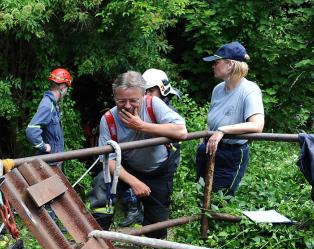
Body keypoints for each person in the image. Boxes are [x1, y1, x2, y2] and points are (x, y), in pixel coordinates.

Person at [96, 71, 187, 238]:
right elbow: (107, 160)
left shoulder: (154, 104)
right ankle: (98, 237)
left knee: (157, 226)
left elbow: (181, 131)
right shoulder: (108, 119)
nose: (128, 105)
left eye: (133, 100)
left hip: (159, 170)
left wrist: (141, 126)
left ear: (144, 95)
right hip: (128, 168)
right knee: (101, 183)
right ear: (114, 98)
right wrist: (134, 182)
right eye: (121, 101)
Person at [197, 41, 264, 196]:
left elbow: (257, 125)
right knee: (201, 194)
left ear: (230, 65)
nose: (213, 65)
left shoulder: (250, 90)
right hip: (209, 148)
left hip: (230, 153)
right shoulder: (218, 89)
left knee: (220, 198)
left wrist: (222, 130)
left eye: (216, 62)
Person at [26, 68, 72, 168]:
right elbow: (31, 130)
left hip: (54, 162)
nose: (66, 91)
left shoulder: (53, 104)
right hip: (48, 165)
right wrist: (43, 146)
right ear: (62, 87)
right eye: (67, 87)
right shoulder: (47, 105)